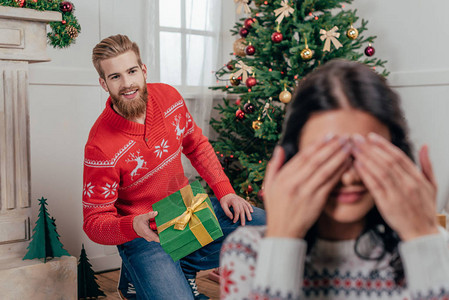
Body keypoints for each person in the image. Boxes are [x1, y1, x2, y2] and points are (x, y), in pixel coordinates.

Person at [220, 59, 449, 300]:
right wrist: (282, 241)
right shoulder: (248, 251)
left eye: (364, 155)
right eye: (327, 157)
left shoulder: (434, 245)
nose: (348, 177)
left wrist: (422, 240)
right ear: (294, 158)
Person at [82, 34, 265, 300]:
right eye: (115, 77)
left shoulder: (169, 96)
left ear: (143, 70)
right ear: (103, 83)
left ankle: (185, 267)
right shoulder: (100, 146)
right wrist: (133, 225)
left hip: (188, 212)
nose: (127, 83)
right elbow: (94, 222)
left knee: (267, 228)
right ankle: (135, 278)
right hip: (144, 235)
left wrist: (225, 191)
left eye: (132, 71)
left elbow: (197, 146)